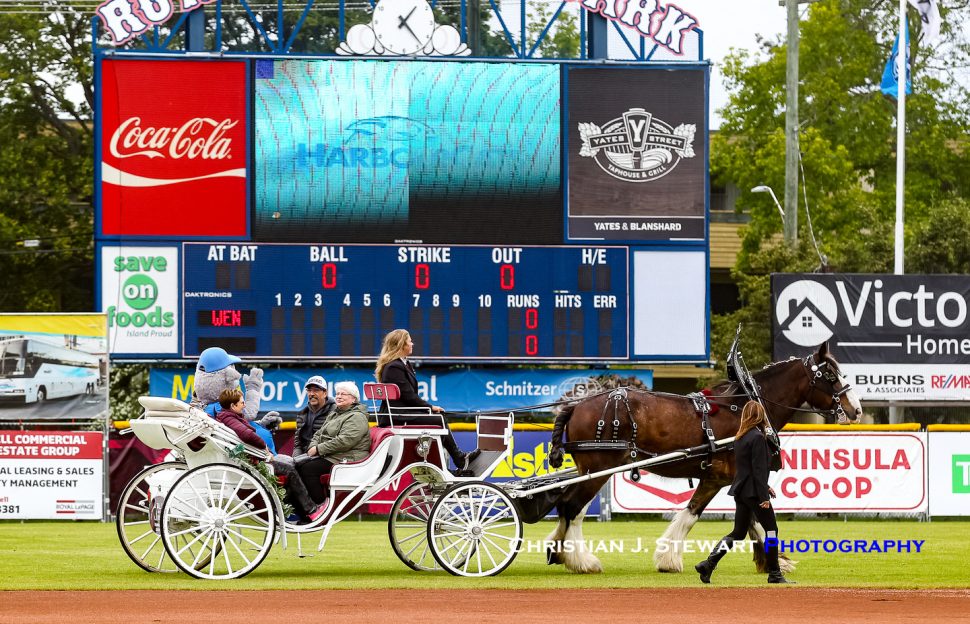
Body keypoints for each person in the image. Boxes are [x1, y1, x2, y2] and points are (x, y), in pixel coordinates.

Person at [694, 401, 794, 584]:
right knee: (772, 531)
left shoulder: (740, 437)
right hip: (754, 493)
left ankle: (708, 564)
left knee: (738, 532)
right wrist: (763, 496)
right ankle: (775, 574)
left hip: (741, 490)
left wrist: (765, 486)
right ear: (759, 416)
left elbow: (747, 468)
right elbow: (758, 469)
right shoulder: (757, 437)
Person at [375, 329, 479, 475]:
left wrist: (427, 408)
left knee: (438, 418)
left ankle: (450, 464)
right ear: (401, 344)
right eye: (409, 340)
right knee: (438, 419)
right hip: (398, 415)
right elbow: (408, 396)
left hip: (401, 412)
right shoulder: (394, 366)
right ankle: (459, 459)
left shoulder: (402, 364)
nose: (412, 343)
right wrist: (430, 407)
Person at [216, 388, 324, 521]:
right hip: (253, 461)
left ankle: (298, 512)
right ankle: (310, 509)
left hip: (250, 458)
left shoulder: (228, 417)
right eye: (242, 403)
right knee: (289, 469)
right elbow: (246, 434)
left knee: (292, 464)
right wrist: (264, 446)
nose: (244, 405)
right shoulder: (230, 418)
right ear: (233, 406)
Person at [297, 381, 372, 506]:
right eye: (337, 394)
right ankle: (301, 508)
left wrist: (318, 449)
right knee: (297, 464)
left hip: (348, 457)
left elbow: (345, 441)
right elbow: (318, 434)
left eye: (344, 394)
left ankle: (320, 506)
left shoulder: (357, 417)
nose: (339, 396)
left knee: (307, 469)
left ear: (353, 399)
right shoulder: (335, 414)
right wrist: (313, 446)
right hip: (333, 454)